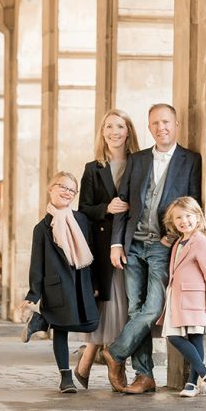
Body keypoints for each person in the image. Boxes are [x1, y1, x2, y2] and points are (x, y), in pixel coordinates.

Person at [103, 103, 202, 394]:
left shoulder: (190, 160)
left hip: (162, 246)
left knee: (154, 308)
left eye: (166, 122)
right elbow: (123, 203)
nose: (161, 128)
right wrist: (116, 242)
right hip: (133, 245)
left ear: (176, 124)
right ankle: (144, 376)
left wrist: (171, 238)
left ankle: (116, 351)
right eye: (155, 123)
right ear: (149, 128)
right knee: (136, 309)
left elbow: (192, 204)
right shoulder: (139, 159)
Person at [74, 109, 140, 389]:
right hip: (103, 246)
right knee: (112, 304)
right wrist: (106, 208)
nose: (114, 131)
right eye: (109, 126)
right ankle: (114, 367)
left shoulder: (140, 163)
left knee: (126, 305)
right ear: (102, 133)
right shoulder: (93, 167)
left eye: (120, 126)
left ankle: (92, 360)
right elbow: (84, 209)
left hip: (132, 241)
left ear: (129, 132)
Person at [22, 171, 100, 393]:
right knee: (61, 328)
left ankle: (42, 321)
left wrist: (97, 283)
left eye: (71, 189)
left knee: (91, 323)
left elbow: (94, 253)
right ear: (50, 189)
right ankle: (65, 378)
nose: (67, 192)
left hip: (81, 279)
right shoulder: (42, 228)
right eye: (62, 187)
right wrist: (33, 294)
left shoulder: (83, 220)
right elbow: (36, 263)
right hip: (56, 283)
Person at [157, 196, 206, 397]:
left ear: (197, 217)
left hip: (195, 298)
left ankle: (192, 383)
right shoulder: (178, 243)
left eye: (188, 216)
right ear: (173, 222)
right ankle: (204, 371)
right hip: (178, 297)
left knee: (195, 338)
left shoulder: (201, 242)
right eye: (178, 218)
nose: (184, 221)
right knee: (174, 335)